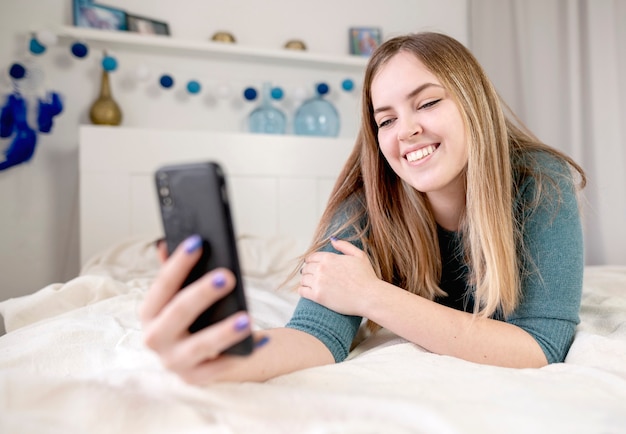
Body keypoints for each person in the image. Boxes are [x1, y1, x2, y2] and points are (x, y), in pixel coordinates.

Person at [140, 32, 586, 384]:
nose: (406, 130)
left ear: (475, 106)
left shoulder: (540, 181)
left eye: (427, 102)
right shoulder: (368, 207)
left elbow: (539, 346)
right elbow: (315, 337)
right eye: (386, 119)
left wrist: (372, 295)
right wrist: (228, 360)